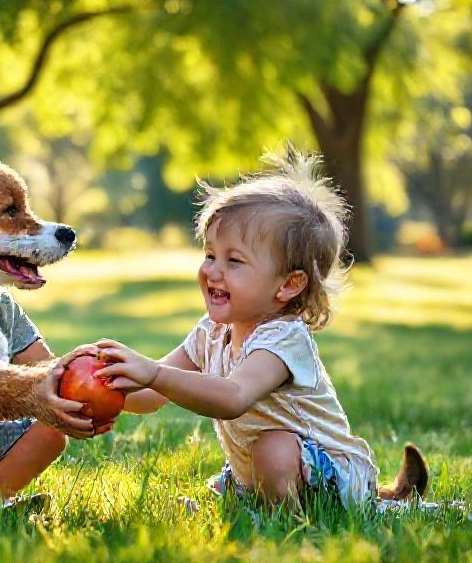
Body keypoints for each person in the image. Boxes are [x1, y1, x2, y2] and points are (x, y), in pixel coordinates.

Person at [87, 147, 424, 509]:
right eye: (210, 254)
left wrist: (152, 372)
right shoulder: (210, 333)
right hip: (258, 468)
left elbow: (233, 397)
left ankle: (369, 508)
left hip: (326, 473)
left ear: (289, 285)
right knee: (260, 457)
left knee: (273, 447)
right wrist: (106, 391)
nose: (212, 271)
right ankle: (269, 503)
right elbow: (151, 394)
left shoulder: (285, 340)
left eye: (234, 261)